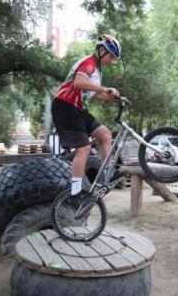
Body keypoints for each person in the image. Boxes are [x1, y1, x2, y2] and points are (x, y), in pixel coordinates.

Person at [51, 34, 128, 200]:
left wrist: (115, 98)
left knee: (105, 135)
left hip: (77, 107)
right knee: (84, 149)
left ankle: (108, 174)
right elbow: (78, 83)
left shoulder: (97, 70)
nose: (112, 60)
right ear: (101, 50)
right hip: (65, 105)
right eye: (111, 56)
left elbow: (93, 95)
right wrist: (105, 88)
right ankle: (76, 192)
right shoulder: (89, 63)